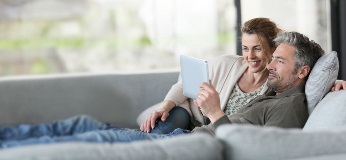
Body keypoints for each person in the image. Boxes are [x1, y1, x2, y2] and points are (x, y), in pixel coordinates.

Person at [0, 31, 325, 148]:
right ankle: (8, 138)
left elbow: (256, 152)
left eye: (277, 60)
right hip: (188, 133)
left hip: (191, 143)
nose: (267, 63)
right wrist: (330, 81)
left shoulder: (289, 107)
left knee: (98, 137)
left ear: (301, 72)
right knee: (86, 125)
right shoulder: (276, 90)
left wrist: (215, 113)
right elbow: (315, 66)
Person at [141, 17, 283, 134]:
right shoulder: (226, 63)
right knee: (154, 133)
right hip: (188, 114)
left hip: (211, 133)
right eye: (245, 48)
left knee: (149, 142)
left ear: (273, 48)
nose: (250, 56)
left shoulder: (274, 86)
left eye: (257, 49)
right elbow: (184, 84)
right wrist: (163, 107)